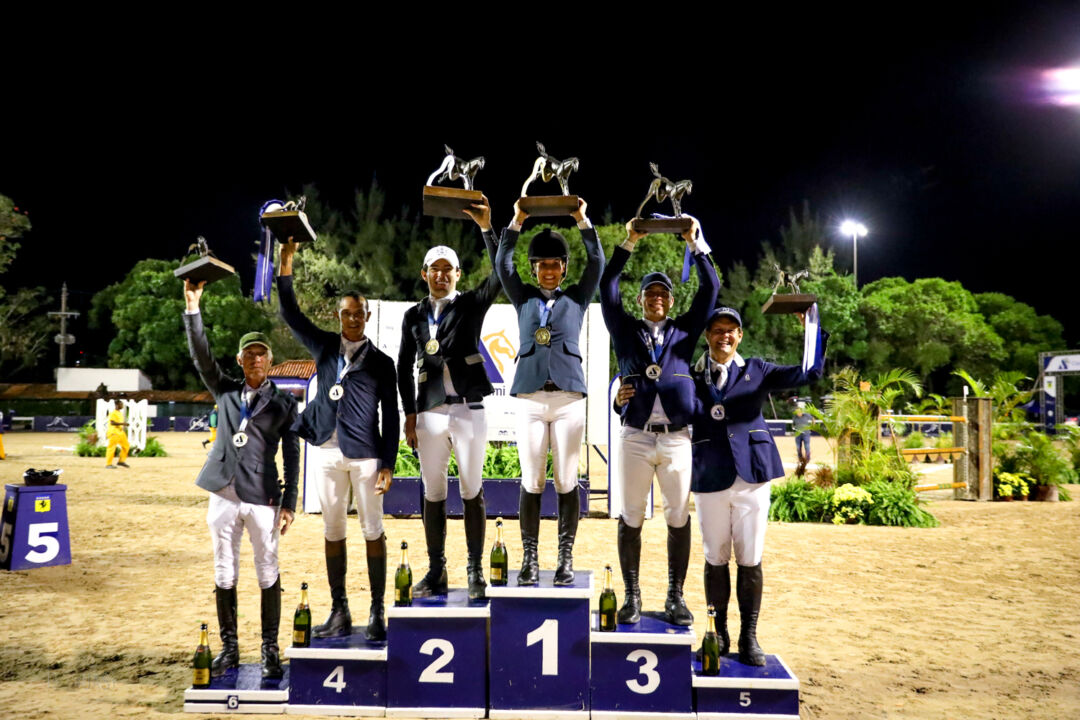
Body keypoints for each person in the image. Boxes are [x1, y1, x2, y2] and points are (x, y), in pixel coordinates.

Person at [690, 306, 826, 665]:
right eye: (717, 329)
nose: (725, 336)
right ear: (707, 335)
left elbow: (809, 373)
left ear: (741, 336)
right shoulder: (692, 374)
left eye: (731, 330)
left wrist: (811, 330)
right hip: (710, 475)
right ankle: (718, 633)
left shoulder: (758, 370)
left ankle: (749, 636)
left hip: (752, 473)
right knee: (714, 558)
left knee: (749, 559)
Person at [278, 240, 399, 640]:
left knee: (372, 530)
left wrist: (388, 464)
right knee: (332, 531)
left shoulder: (382, 363)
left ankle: (378, 611)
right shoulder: (325, 347)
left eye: (358, 313)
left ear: (367, 316)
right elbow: (290, 313)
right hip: (326, 453)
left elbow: (392, 416)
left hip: (365, 455)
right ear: (338, 315)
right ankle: (340, 610)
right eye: (346, 313)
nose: (352, 319)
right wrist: (286, 261)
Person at [601, 218, 718, 625]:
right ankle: (632, 596)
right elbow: (606, 287)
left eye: (662, 294)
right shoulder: (625, 330)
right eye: (649, 293)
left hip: (676, 439)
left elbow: (711, 290)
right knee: (631, 515)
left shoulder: (686, 333)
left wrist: (695, 242)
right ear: (640, 300)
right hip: (634, 436)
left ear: (670, 301)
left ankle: (675, 596)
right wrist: (629, 242)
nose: (656, 299)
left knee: (677, 517)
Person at [183, 279, 300, 680]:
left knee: (268, 570)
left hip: (263, 496)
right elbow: (201, 358)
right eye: (249, 354)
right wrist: (193, 309)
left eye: (261, 354)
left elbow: (292, 453)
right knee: (223, 570)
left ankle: (269, 650)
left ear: (270, 361)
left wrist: (290, 503)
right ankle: (230, 649)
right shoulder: (226, 392)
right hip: (223, 493)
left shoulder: (284, 403)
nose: (255, 359)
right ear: (239, 360)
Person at [494, 197, 603, 585]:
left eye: (556, 264)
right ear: (535, 268)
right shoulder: (522, 297)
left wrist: (581, 219)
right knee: (532, 479)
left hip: (569, 397)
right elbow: (502, 264)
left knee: (567, 480)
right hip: (530, 398)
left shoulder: (577, 297)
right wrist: (517, 219)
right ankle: (528, 557)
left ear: (564, 268)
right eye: (543, 264)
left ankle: (565, 557)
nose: (550, 270)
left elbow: (598, 264)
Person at [398, 197, 501, 600]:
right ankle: (436, 569)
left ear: (458, 273)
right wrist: (409, 413)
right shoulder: (413, 316)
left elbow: (500, 273)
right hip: (429, 414)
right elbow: (403, 365)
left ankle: (475, 570)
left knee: (472, 489)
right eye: (434, 269)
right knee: (433, 491)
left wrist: (487, 229)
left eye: (449, 269)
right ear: (424, 274)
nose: (442, 275)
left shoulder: (471, 303)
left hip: (469, 410)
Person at [104, 398, 130, 469]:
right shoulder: (113, 413)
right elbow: (112, 423)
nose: (122, 406)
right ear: (117, 405)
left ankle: (121, 461)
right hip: (114, 432)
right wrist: (123, 423)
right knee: (111, 448)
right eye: (121, 404)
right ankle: (108, 464)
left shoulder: (119, 413)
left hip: (120, 432)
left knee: (126, 446)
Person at [793, 402, 812, 474]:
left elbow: (813, 418)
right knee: (798, 447)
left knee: (807, 446)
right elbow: (793, 423)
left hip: (806, 433)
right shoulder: (795, 417)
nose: (798, 412)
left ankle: (807, 458)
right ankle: (800, 458)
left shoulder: (806, 415)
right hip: (798, 434)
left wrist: (812, 427)